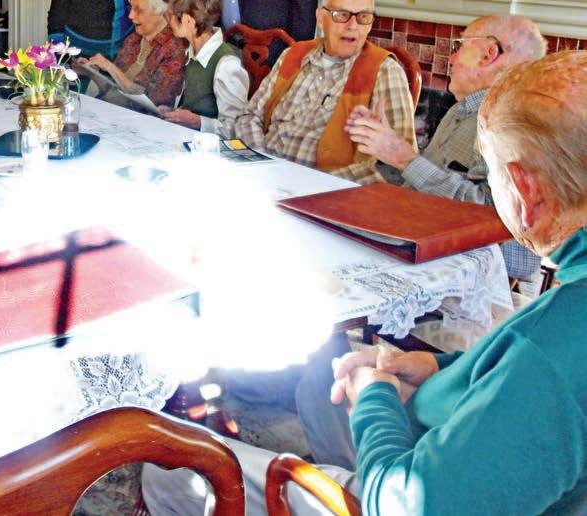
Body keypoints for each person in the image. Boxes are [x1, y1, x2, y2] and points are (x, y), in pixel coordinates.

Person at [144, 49, 587, 514]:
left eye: (493, 177)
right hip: (463, 453)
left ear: (524, 191)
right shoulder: (557, 328)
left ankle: (334, 479)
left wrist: (376, 398)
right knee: (327, 367)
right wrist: (439, 368)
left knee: (169, 472)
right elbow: (526, 380)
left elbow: (408, 505)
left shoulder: (556, 344)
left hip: (401, 492)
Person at [346, 14, 547, 284]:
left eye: (459, 46)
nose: (451, 58)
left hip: (473, 270)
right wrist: (384, 149)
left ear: (488, 54)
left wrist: (404, 158)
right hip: (421, 240)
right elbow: (428, 183)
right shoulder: (462, 110)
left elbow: (492, 216)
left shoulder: (512, 123)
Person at [237, 0, 415, 184]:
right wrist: (261, 164)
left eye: (363, 17)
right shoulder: (293, 55)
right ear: (321, 19)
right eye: (342, 15)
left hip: (326, 192)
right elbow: (250, 116)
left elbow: (396, 165)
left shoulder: (384, 71)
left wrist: (316, 185)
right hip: (262, 178)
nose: (352, 26)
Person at [75, 0, 186, 109]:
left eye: (138, 10)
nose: (131, 16)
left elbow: (154, 103)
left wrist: (111, 68)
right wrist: (91, 72)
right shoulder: (133, 39)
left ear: (161, 13)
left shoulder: (174, 49)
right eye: (131, 8)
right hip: (112, 111)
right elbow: (114, 89)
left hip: (140, 119)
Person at [159, 0, 248, 138]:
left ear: (187, 20)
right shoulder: (193, 52)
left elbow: (237, 130)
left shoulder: (227, 65)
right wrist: (174, 112)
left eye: (168, 15)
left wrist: (198, 122)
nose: (166, 20)